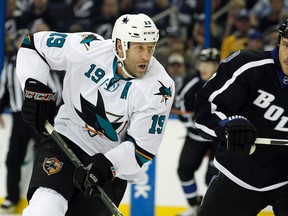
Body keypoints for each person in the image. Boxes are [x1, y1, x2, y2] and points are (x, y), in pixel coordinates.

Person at [16, 13, 175, 216]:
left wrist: (108, 165)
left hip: (107, 165)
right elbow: (33, 46)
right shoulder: (87, 48)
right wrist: (34, 91)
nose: (146, 56)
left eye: (150, 47)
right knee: (44, 207)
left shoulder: (159, 87)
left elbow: (141, 150)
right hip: (65, 140)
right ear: (120, 45)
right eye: (139, 47)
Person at [194, 18, 288, 216]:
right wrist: (227, 126)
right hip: (239, 174)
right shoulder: (248, 66)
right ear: (279, 42)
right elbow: (205, 110)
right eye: (287, 45)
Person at [0, 28, 63, 214]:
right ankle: (12, 198)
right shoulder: (10, 64)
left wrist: (55, 114)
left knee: (45, 160)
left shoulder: (42, 64)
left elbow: (57, 90)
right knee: (12, 159)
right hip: (19, 119)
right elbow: (4, 90)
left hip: (42, 119)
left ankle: (40, 202)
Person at [174, 48, 220, 216]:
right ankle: (194, 207)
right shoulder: (191, 83)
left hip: (218, 140)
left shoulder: (226, 81)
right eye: (201, 63)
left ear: (216, 65)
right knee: (184, 170)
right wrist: (198, 125)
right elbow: (181, 109)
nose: (204, 68)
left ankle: (210, 211)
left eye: (208, 64)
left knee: (213, 178)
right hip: (196, 136)